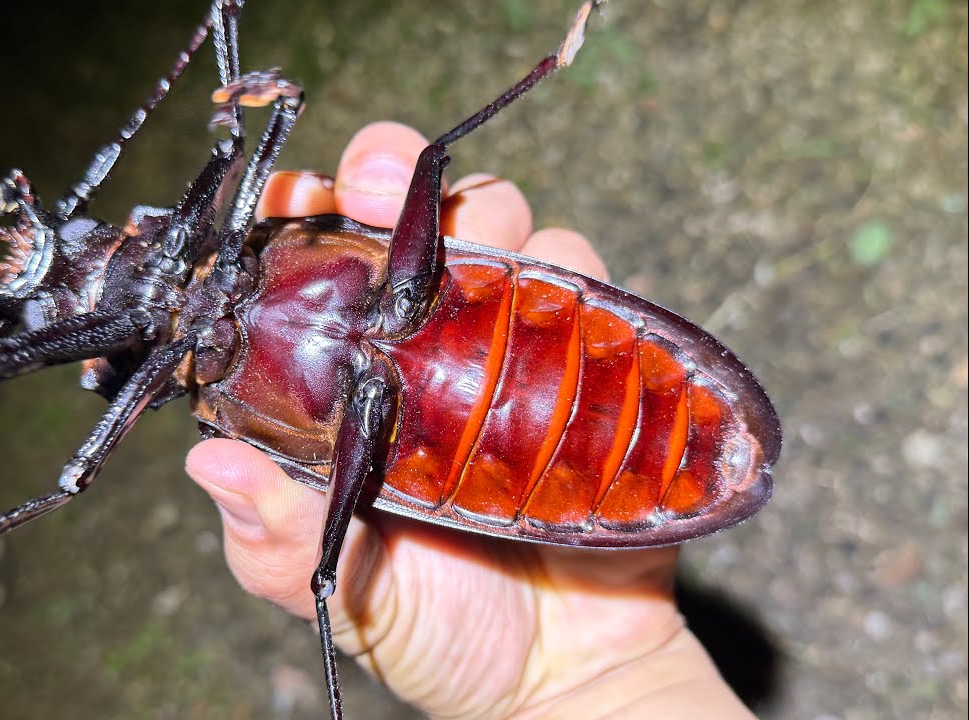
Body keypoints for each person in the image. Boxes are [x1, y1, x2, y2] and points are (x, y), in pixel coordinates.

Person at [185, 122, 756, 719]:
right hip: (487, 425)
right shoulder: (213, 386)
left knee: (410, 174)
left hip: (592, 389)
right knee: (414, 170)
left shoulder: (251, 260)